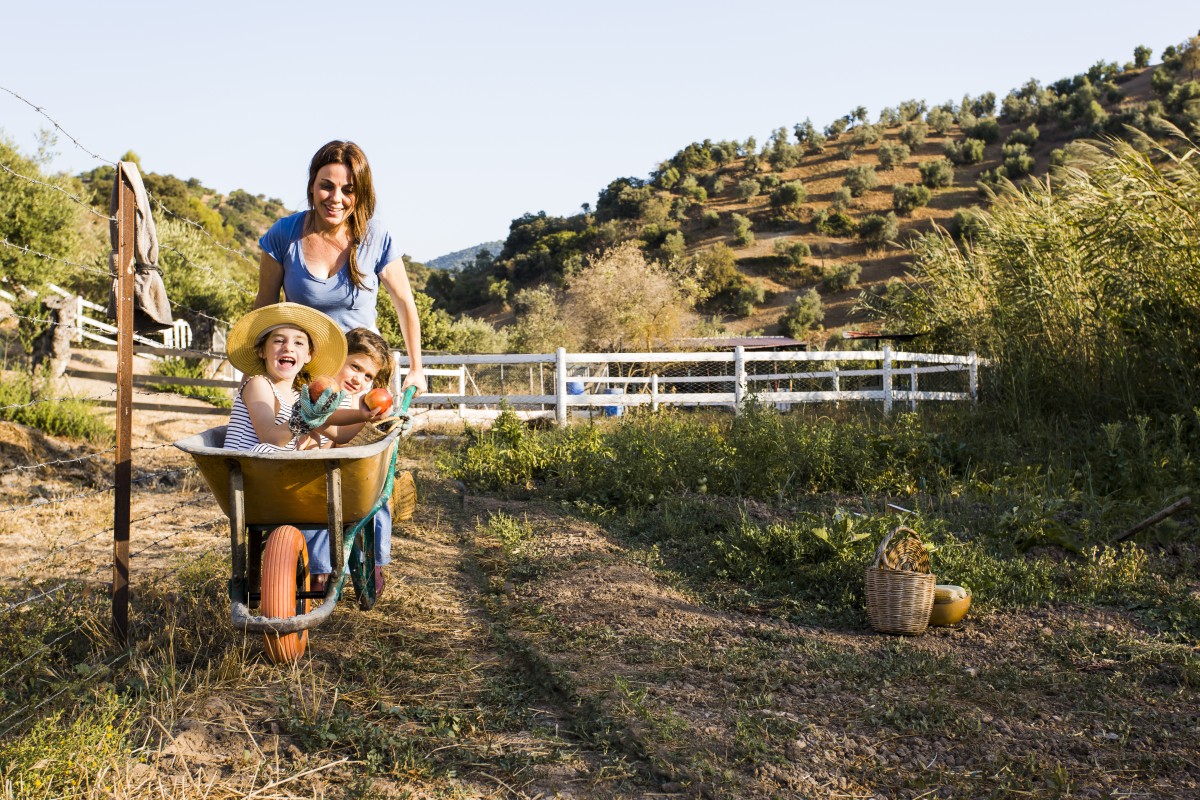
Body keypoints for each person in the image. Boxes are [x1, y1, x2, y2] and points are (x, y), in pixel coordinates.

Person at [255, 140, 425, 597]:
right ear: (312, 185)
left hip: (364, 377)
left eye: (348, 189)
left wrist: (416, 367)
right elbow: (264, 308)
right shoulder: (284, 236)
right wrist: (260, 373)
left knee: (370, 469)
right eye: (326, 185)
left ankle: (373, 558)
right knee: (310, 464)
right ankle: (313, 561)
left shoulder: (375, 236)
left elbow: (405, 304)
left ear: (360, 192)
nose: (336, 197)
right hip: (310, 379)